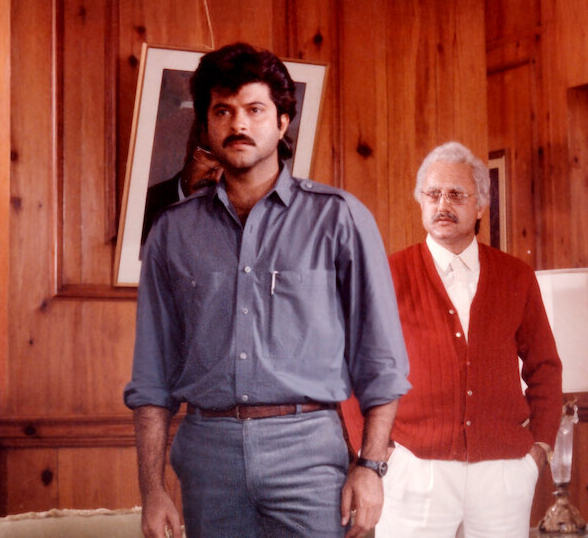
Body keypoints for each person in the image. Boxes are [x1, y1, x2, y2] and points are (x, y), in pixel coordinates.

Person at [123, 42, 411, 538]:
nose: (239, 124)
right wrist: (152, 491)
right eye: (223, 111)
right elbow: (151, 377)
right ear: (206, 127)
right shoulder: (171, 232)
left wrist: (370, 466)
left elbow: (381, 360)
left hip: (309, 453)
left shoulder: (338, 219)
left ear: (282, 124)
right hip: (207, 456)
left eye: (255, 110)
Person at [340, 141, 563, 538]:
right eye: (433, 194)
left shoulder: (516, 276)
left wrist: (540, 449)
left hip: (503, 473)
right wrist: (373, 453)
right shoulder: (387, 275)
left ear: (480, 206)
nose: (443, 204)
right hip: (413, 468)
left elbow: (544, 367)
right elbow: (350, 370)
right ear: (421, 201)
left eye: (457, 195)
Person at [141, 122, 223, 244]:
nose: (217, 178)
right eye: (211, 157)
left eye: (232, 167)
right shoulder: (142, 212)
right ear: (189, 149)